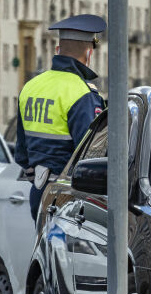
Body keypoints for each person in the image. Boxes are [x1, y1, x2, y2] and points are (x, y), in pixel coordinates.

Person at [15, 14, 106, 220]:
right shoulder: (82, 93)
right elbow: (91, 156)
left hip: (38, 194)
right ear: (89, 53)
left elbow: (21, 154)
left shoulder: (31, 87)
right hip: (69, 199)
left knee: (43, 251)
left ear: (57, 51)